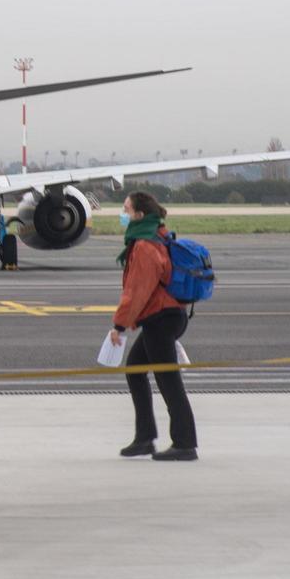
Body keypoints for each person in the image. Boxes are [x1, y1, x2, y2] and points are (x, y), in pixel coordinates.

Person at [107, 191, 198, 461]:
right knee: (135, 371)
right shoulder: (154, 237)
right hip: (164, 316)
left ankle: (185, 444)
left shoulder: (145, 247)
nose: (122, 214)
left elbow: (137, 292)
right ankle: (145, 438)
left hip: (161, 318)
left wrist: (120, 326)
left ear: (139, 215)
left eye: (126, 209)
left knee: (169, 381)